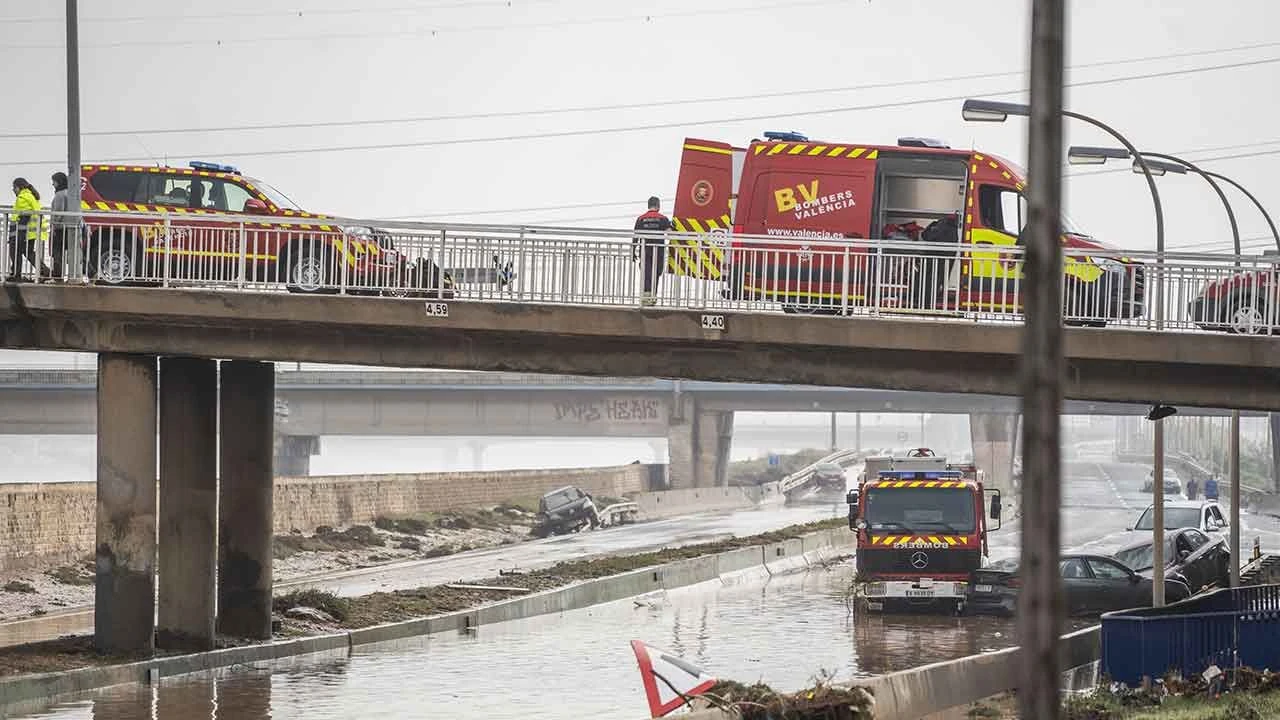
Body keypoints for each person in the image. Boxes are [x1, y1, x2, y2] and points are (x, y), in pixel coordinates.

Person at [7, 178, 49, 282]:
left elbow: (22, 217)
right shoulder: (31, 196)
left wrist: (15, 234)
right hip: (30, 232)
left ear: (19, 187)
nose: (13, 190)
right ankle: (45, 271)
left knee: (15, 252)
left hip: (23, 232)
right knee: (28, 252)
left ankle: (16, 275)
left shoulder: (23, 197)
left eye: (14, 187)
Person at [632, 196, 671, 306]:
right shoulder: (663, 218)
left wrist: (633, 251)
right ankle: (653, 296)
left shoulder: (641, 219)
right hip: (658, 251)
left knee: (646, 273)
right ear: (658, 206)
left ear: (648, 205)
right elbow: (670, 233)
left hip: (645, 250)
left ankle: (646, 297)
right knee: (656, 273)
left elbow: (635, 236)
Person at [48, 172, 72, 279]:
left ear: (59, 182)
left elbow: (58, 213)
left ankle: (57, 276)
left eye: (54, 181)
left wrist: (54, 226)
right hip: (70, 227)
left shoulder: (60, 195)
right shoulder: (70, 193)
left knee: (57, 252)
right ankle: (90, 271)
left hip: (60, 228)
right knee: (73, 252)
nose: (53, 184)